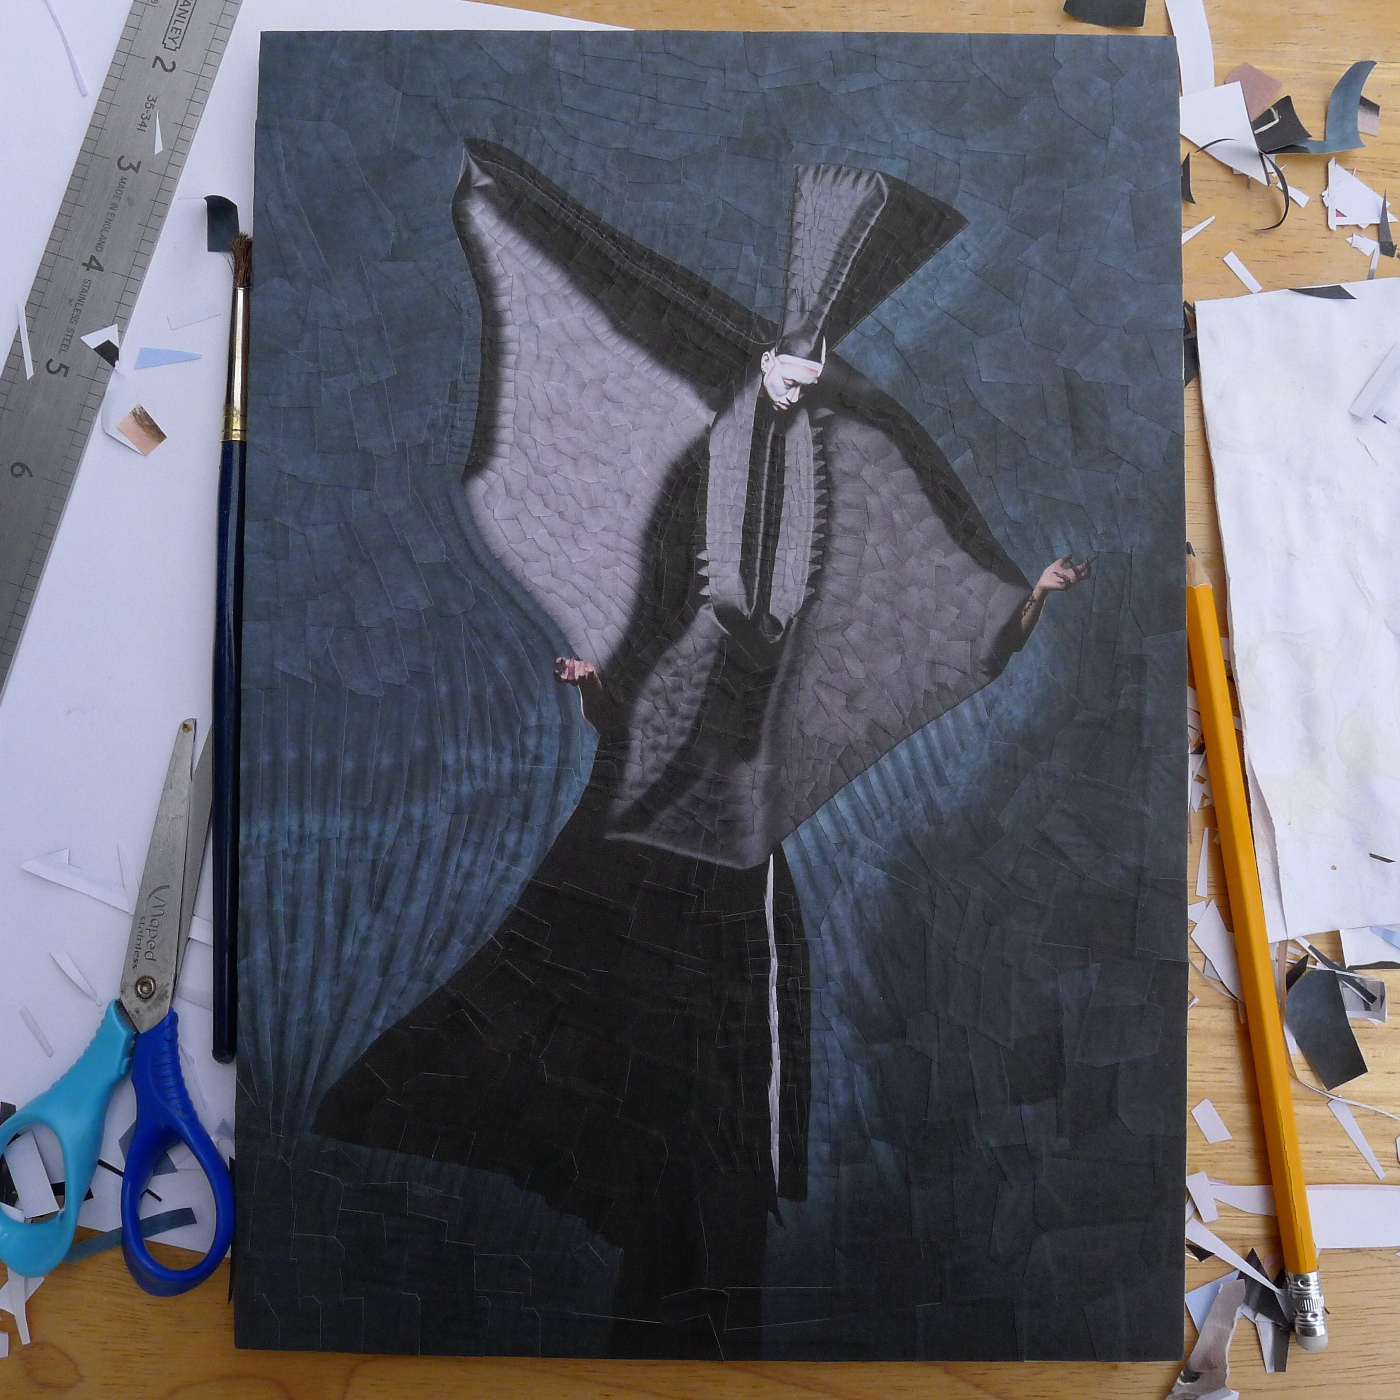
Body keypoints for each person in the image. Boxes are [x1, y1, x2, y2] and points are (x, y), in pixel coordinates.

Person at [313, 141, 1093, 1358]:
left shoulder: (815, 495)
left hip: (726, 823)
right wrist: (607, 687)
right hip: (662, 804)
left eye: (808, 368)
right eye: (785, 365)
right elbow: (675, 599)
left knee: (709, 1072)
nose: (795, 381)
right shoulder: (708, 511)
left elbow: (847, 589)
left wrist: (1018, 599)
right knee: (611, 1010)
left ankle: (687, 1251)